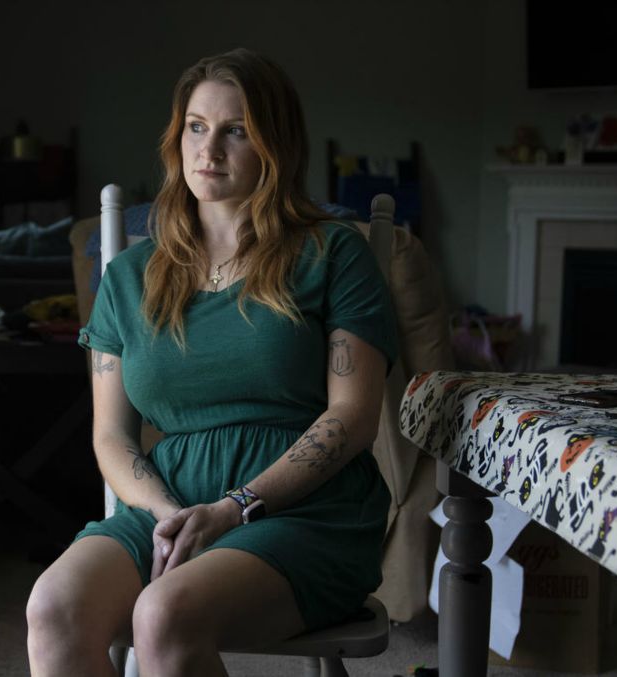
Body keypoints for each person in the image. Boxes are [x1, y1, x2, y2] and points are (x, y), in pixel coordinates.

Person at [26, 47, 397, 677]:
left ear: (274, 144)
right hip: (170, 503)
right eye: (197, 127)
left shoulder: (333, 254)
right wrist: (169, 515)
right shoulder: (126, 278)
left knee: (164, 614)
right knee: (54, 606)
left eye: (236, 131)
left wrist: (234, 508)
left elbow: (354, 417)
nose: (210, 150)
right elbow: (111, 436)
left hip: (304, 508)